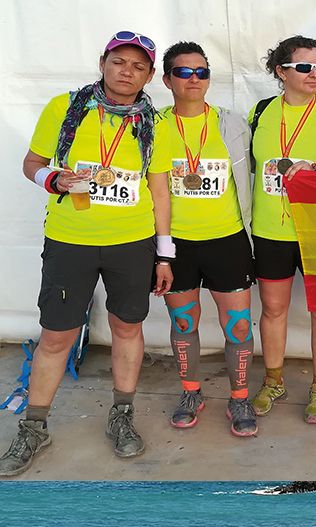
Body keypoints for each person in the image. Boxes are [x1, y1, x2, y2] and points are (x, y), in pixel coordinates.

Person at [3, 30, 173, 477]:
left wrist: (165, 252)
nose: (127, 72)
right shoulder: (65, 108)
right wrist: (53, 180)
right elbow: (32, 162)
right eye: (120, 62)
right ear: (103, 63)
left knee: (127, 327)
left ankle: (122, 414)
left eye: (139, 66)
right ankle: (34, 425)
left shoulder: (155, 122)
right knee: (57, 335)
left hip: (131, 243)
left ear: (150, 75)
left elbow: (159, 188)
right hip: (69, 240)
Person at [156, 42, 257, 438]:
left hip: (227, 240)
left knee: (238, 328)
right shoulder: (155, 125)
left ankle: (240, 396)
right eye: (183, 72)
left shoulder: (233, 123)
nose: (194, 78)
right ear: (167, 80)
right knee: (183, 323)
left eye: (201, 71)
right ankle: (190, 392)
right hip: (176, 244)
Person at [247, 36, 316, 425]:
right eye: (305, 67)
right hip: (272, 229)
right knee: (273, 309)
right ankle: (274, 380)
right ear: (281, 71)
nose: (315, 74)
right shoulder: (259, 112)